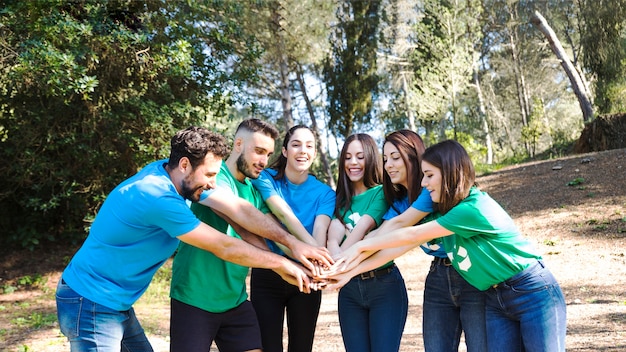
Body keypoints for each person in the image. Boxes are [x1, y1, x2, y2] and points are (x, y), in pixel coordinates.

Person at [55, 126, 327, 352]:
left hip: (116, 304)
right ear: (185, 165)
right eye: (209, 175)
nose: (212, 183)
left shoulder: (175, 176)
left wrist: (294, 245)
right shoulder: (157, 196)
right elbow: (224, 245)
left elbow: (240, 210)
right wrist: (282, 264)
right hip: (90, 302)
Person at [329, 140, 567, 352]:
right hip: (495, 294)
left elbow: (410, 234)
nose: (424, 183)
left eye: (430, 176)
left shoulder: (469, 209)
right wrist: (349, 271)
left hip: (531, 289)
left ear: (450, 173)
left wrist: (357, 249)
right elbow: (398, 245)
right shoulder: (441, 208)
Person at [169, 119, 333, 351]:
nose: (263, 161)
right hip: (194, 296)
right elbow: (240, 216)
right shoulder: (212, 175)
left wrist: (304, 264)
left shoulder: (254, 188)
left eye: (267, 154)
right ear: (238, 144)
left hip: (235, 300)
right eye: (258, 151)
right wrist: (293, 247)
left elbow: (267, 233)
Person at [366, 130, 487, 352]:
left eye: (395, 157)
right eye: (385, 159)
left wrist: (349, 256)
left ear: (413, 157)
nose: (389, 165)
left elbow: (402, 229)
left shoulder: (430, 190)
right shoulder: (399, 201)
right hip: (438, 277)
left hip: (470, 272)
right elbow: (384, 235)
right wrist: (343, 261)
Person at [249, 125, 336, 352]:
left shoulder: (325, 193)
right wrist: (311, 254)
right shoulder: (264, 178)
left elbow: (319, 231)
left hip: (306, 276)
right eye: (296, 144)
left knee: (302, 346)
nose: (302, 150)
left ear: (315, 153)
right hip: (268, 271)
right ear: (285, 151)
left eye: (309, 146)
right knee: (268, 346)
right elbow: (282, 216)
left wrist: (316, 260)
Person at [325, 133, 408, 352]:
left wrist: (335, 262)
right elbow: (331, 239)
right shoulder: (340, 200)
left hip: (384, 287)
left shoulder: (381, 193)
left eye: (360, 157)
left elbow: (360, 232)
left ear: (371, 158)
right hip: (350, 292)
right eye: (348, 157)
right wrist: (335, 254)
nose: (353, 163)